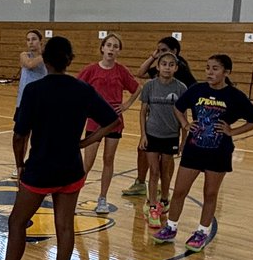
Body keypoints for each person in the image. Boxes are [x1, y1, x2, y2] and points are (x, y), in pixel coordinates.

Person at [0, 36, 118, 260]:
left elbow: (20, 135)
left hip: (40, 168)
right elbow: (113, 120)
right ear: (70, 60)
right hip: (71, 168)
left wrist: (19, 164)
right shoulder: (82, 89)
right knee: (65, 228)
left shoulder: (35, 90)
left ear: (46, 60)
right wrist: (87, 141)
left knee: (17, 223)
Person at [153, 54, 253, 252]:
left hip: (218, 152)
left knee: (210, 194)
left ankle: (202, 231)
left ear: (226, 72)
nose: (210, 72)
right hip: (194, 150)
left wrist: (232, 131)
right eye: (207, 68)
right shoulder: (197, 90)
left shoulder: (234, 96)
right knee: (179, 191)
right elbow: (178, 108)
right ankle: (170, 227)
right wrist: (186, 124)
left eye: (215, 69)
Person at [123, 35, 198, 198]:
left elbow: (190, 99)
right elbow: (141, 73)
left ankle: (164, 189)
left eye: (163, 50)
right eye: (158, 51)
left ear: (175, 53)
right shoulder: (159, 68)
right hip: (154, 124)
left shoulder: (181, 72)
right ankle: (141, 183)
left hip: (171, 125)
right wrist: (154, 55)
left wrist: (185, 135)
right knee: (142, 149)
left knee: (166, 160)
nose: (159, 54)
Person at [77, 33, 140, 215]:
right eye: (109, 45)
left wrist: (126, 105)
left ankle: (102, 198)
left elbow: (137, 88)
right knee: (87, 163)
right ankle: (73, 195)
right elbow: (76, 86)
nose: (111, 49)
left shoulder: (121, 71)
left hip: (114, 122)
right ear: (102, 48)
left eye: (115, 46)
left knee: (108, 160)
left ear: (119, 51)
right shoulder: (91, 69)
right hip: (93, 121)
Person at [138, 51, 186, 227]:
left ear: (176, 68)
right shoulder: (149, 86)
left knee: (165, 171)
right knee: (154, 171)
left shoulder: (181, 88)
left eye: (171, 65)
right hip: (152, 135)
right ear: (157, 67)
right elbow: (143, 112)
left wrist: (183, 139)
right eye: (163, 64)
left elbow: (184, 116)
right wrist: (143, 135)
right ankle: (152, 205)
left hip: (171, 136)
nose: (167, 67)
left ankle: (164, 199)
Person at [16, 28, 47, 110]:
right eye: (28, 40)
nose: (31, 42)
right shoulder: (24, 55)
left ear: (41, 42)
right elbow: (30, 64)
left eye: (34, 39)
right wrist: (46, 55)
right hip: (24, 100)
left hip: (41, 99)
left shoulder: (48, 59)